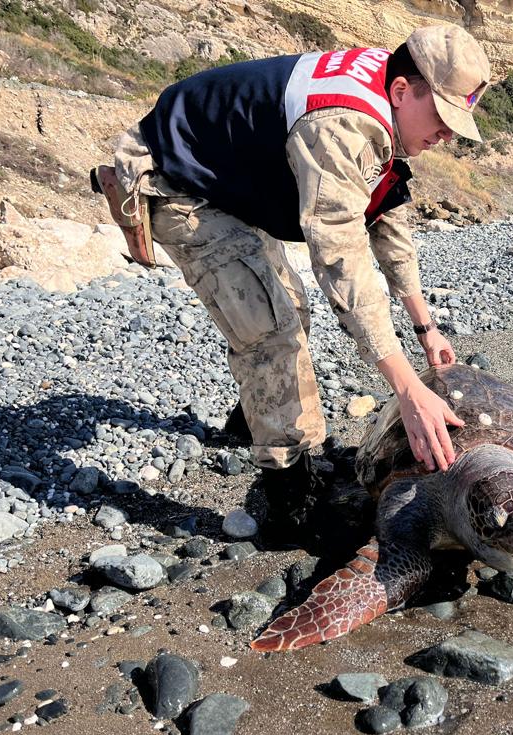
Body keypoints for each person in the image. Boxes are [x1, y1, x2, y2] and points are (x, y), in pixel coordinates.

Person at [95, 25, 492, 542]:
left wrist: (425, 328)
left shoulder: (391, 95)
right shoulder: (342, 125)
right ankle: (289, 499)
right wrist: (407, 387)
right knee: (272, 331)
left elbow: (385, 221)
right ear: (401, 91)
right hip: (178, 179)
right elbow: (341, 259)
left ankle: (253, 421)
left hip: (232, 178)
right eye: (442, 118)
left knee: (290, 307)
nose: (447, 136)